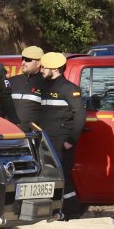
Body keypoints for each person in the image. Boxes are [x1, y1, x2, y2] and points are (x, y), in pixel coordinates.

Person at [38, 52, 86, 219]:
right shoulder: (43, 86)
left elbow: (80, 116)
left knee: (62, 176)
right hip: (45, 140)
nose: (41, 70)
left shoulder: (69, 89)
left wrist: (71, 140)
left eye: (44, 67)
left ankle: (71, 211)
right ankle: (53, 211)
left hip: (61, 141)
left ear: (56, 69)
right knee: (48, 176)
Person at [7, 45, 46, 132]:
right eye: (23, 59)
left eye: (28, 60)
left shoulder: (47, 84)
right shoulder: (11, 81)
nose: (23, 62)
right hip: (8, 134)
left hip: (32, 136)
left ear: (38, 63)